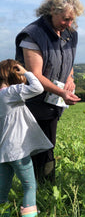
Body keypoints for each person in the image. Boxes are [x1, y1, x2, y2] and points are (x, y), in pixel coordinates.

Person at [15, 0, 85, 183]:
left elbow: (68, 63)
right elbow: (35, 75)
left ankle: (42, 185)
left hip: (53, 101)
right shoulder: (33, 35)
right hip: (32, 101)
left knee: (47, 144)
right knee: (37, 146)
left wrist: (70, 79)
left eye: (72, 19)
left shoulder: (70, 34)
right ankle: (38, 187)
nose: (69, 24)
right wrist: (62, 92)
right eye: (65, 19)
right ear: (53, 10)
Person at [0, 59, 53, 217]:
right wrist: (26, 72)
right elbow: (38, 87)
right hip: (18, 151)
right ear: (14, 74)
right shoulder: (11, 92)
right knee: (30, 187)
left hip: (3, 153)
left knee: (2, 192)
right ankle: (30, 213)